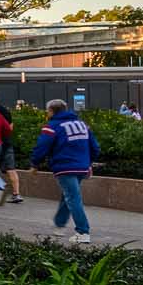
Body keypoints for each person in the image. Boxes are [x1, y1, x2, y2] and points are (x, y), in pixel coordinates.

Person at [32, 98, 99, 244]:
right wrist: (89, 163)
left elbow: (42, 147)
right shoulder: (82, 125)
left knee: (72, 197)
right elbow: (95, 147)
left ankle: (83, 232)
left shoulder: (52, 126)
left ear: (51, 111)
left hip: (64, 166)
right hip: (81, 166)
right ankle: (59, 224)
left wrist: (35, 163)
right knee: (68, 195)